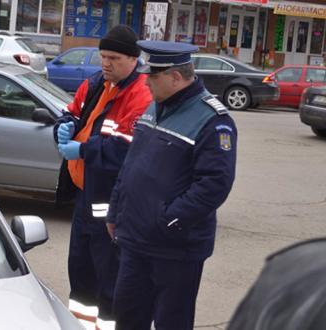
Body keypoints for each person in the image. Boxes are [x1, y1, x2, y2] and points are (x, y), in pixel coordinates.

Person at [106, 40, 238, 330]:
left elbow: (215, 184)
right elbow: (131, 165)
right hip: (135, 241)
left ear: (176, 77)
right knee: (126, 317)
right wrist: (115, 210)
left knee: (171, 322)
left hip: (176, 248)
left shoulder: (213, 120)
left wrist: (167, 221)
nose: (146, 83)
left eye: (152, 77)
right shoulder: (155, 107)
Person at [54, 25, 153, 329]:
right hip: (86, 197)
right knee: (81, 278)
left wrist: (83, 150)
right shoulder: (95, 83)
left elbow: (128, 150)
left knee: (109, 280)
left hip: (111, 202)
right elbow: (71, 111)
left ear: (133, 59)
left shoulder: (141, 93)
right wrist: (64, 124)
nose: (105, 63)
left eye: (113, 58)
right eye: (103, 56)